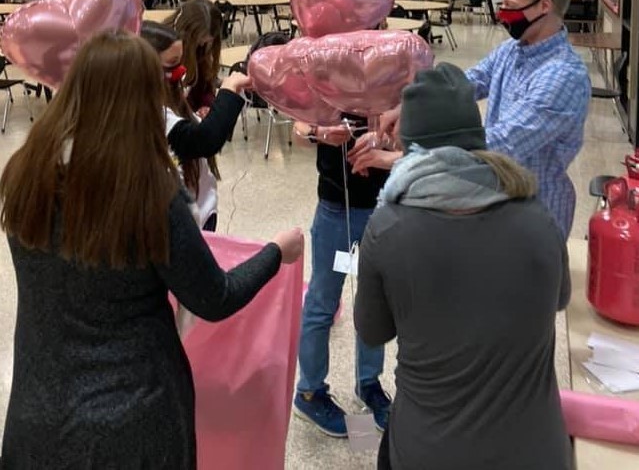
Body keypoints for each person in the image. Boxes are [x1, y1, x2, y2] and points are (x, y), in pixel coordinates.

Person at [0, 30, 303, 468]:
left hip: (39, 412)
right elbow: (213, 297)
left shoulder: (25, 173)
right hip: (136, 419)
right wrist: (276, 251)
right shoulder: (147, 192)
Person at [355, 63, 571, 470]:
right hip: (536, 449)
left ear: (411, 150)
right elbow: (557, 299)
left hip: (428, 447)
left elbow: (372, 330)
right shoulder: (538, 217)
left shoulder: (387, 229)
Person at [361, 0, 591, 241]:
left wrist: (407, 158)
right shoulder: (512, 50)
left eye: (509, 5)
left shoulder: (562, 76)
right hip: (496, 201)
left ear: (544, 6)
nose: (503, 14)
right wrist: (408, 108)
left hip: (534, 214)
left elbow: (502, 143)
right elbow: (467, 83)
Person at [292, 116, 391, 438]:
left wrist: (386, 142)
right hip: (338, 213)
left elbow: (412, 134)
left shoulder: (388, 77)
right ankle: (309, 392)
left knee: (376, 302)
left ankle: (369, 383)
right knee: (323, 302)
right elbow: (299, 131)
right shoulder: (327, 79)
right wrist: (320, 133)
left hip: (383, 206)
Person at [141, 21, 249, 231]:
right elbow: (204, 140)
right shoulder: (150, 113)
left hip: (204, 208)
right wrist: (228, 91)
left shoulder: (171, 98)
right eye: (172, 63)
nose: (181, 70)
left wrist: (205, 116)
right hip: (189, 223)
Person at [164, 0, 224, 114]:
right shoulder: (164, 48)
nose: (202, 44)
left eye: (207, 41)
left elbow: (205, 86)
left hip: (189, 116)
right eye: (200, 40)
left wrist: (206, 106)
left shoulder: (201, 48)